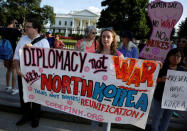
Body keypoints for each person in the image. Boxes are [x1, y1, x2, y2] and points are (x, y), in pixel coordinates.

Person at [13, 15, 50, 128]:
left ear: (36, 29)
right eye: (26, 26)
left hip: (37, 76)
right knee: (24, 96)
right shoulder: (22, 40)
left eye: (29, 27)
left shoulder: (44, 42)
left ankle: (35, 117)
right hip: (23, 74)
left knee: (36, 96)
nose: (26, 29)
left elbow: (47, 60)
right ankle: (25, 116)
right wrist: (18, 70)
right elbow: (15, 57)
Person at [91, 28, 123, 131]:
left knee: (107, 118)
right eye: (103, 36)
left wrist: (154, 66)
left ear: (113, 39)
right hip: (96, 89)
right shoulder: (95, 53)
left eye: (108, 37)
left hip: (111, 90)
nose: (105, 39)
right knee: (94, 116)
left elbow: (129, 69)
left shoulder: (118, 55)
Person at [152, 48, 183, 131]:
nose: (176, 58)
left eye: (179, 56)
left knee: (167, 118)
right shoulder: (162, 67)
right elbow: (152, 80)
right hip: (159, 97)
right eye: (174, 55)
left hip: (172, 99)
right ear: (169, 56)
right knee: (156, 117)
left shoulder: (182, 70)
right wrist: (161, 79)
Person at [0, 18, 22, 95]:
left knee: (8, 69)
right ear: (13, 23)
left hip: (5, 52)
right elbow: (21, 35)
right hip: (13, 52)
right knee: (14, 70)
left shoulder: (2, 29)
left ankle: (7, 86)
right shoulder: (15, 30)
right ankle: (13, 89)